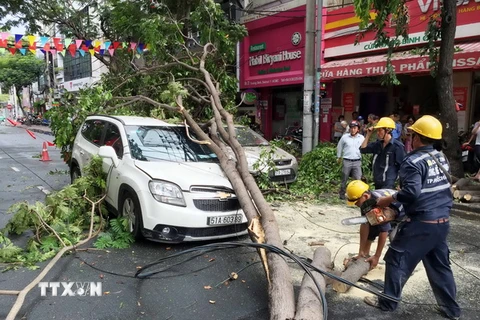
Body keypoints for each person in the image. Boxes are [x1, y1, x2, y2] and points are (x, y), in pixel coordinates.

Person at [364, 115, 461, 320]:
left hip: (421, 224)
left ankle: (388, 302)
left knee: (396, 258)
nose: (410, 138)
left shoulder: (413, 161)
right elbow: (430, 190)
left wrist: (389, 200)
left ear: (417, 137)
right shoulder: (440, 156)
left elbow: (411, 193)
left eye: (412, 134)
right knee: (439, 265)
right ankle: (451, 310)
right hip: (442, 222)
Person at [345, 180, 405, 269]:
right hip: (391, 214)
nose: (356, 205)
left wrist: (377, 256)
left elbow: (384, 232)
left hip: (405, 214)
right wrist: (360, 251)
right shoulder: (366, 204)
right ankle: (364, 254)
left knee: (395, 241)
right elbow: (365, 224)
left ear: (365, 196)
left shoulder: (378, 204)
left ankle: (402, 266)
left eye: (357, 202)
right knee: (372, 222)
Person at [360, 117, 406, 189]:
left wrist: (401, 184)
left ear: (388, 130)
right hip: (377, 182)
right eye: (377, 130)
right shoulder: (377, 144)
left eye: (380, 130)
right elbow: (363, 149)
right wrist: (368, 135)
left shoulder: (397, 147)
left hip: (389, 184)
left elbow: (403, 167)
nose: (378, 133)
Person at [337, 121, 365, 200]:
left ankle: (357, 195)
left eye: (355, 128)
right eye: (351, 128)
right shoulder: (345, 137)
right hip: (347, 161)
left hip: (357, 161)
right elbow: (339, 147)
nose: (353, 130)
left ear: (358, 129)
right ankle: (342, 194)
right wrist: (339, 157)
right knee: (344, 178)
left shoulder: (361, 138)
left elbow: (365, 147)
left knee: (358, 179)